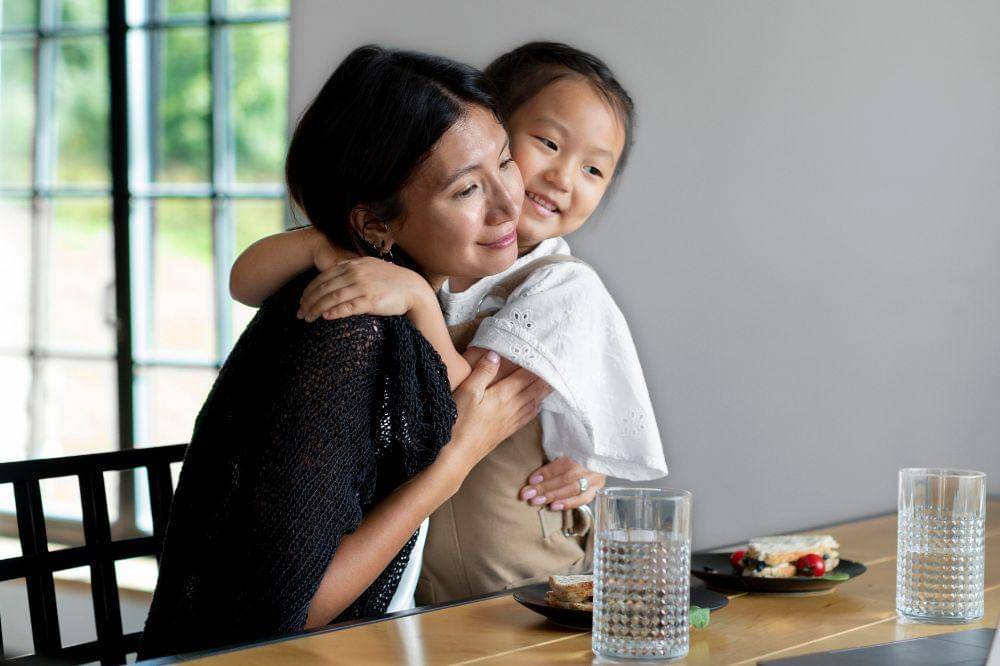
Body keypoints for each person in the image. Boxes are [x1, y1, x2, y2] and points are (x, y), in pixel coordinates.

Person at [137, 45, 549, 659]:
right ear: (376, 224)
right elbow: (288, 614)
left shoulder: (404, 313)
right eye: (466, 190)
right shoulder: (345, 328)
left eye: (506, 162)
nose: (509, 202)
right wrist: (455, 462)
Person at [229, 42, 668, 604]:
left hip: (515, 563)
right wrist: (321, 243)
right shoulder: (422, 253)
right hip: (422, 572)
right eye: (547, 144)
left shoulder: (560, 286)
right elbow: (245, 281)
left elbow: (470, 403)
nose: (562, 178)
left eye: (593, 169)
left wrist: (415, 300)